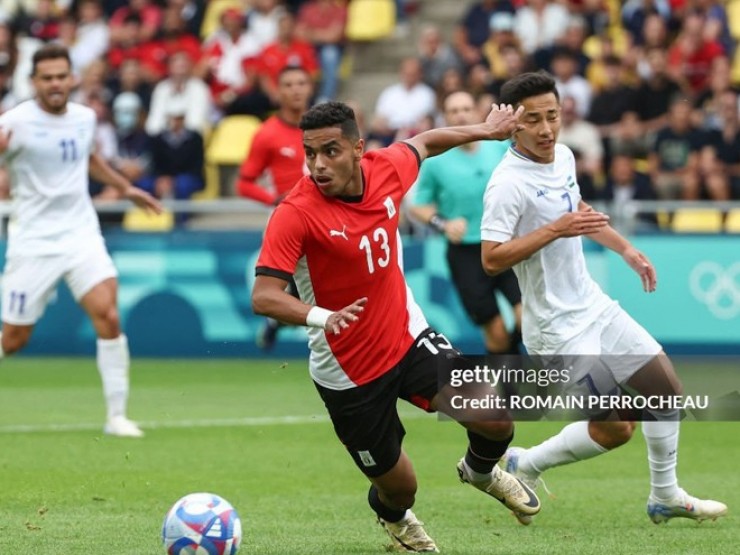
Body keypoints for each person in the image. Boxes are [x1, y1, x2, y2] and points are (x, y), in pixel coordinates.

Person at [251, 100, 540, 553]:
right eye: (310, 153)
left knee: (495, 416)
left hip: (408, 340)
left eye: (331, 151)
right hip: (349, 375)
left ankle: (480, 472)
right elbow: (264, 296)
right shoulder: (296, 212)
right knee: (401, 487)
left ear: (358, 149)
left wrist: (484, 131)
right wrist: (323, 316)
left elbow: (425, 142)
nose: (318, 165)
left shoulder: (386, 168)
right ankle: (396, 519)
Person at [480, 71, 727, 525]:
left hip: (593, 306)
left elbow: (578, 214)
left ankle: (665, 495)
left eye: (552, 116)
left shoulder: (565, 157)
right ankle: (526, 464)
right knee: (616, 429)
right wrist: (554, 229)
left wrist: (627, 250)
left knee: (665, 389)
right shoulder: (506, 184)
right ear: (512, 125)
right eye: (533, 120)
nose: (546, 129)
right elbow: (492, 260)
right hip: (556, 329)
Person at [0, 44, 161, 437]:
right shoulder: (14, 122)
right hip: (33, 240)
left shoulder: (85, 118)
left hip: (80, 233)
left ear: (72, 78)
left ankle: (117, 416)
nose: (56, 84)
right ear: (34, 82)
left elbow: (87, 159)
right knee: (15, 338)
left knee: (108, 314)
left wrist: (126, 188)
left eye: (61, 76)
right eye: (47, 77)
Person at [409, 91, 522, 357]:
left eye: (466, 108)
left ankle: (512, 369)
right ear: (446, 117)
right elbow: (418, 205)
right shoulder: (435, 161)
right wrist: (442, 223)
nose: (460, 114)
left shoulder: (500, 148)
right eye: (454, 110)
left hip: (505, 244)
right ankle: (508, 393)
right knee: (495, 331)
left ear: (476, 112)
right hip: (465, 255)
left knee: (526, 318)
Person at [236, 65, 313, 350]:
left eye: (301, 83)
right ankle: (279, 321)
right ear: (278, 91)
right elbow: (244, 183)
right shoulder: (267, 133)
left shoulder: (322, 127)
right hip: (286, 219)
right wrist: (273, 199)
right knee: (288, 287)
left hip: (325, 217)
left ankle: (276, 324)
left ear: (310, 88)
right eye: (289, 84)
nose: (296, 89)